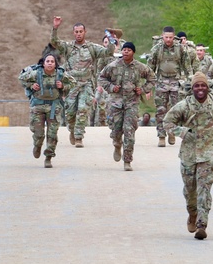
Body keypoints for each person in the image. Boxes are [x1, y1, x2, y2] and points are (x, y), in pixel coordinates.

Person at [165, 72, 213, 240]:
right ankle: (192, 213)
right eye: (197, 86)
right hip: (188, 155)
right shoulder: (184, 106)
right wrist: (182, 132)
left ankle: (202, 224)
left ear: (208, 87)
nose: (200, 89)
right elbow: (167, 122)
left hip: (209, 154)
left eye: (203, 85)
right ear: (192, 88)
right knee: (190, 191)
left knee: (204, 190)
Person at [49, 16, 115, 147]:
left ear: (85, 32)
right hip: (71, 85)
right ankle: (72, 130)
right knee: (71, 113)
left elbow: (108, 52)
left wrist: (112, 39)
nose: (79, 34)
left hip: (86, 84)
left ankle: (79, 137)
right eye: (76, 32)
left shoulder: (92, 48)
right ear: (74, 33)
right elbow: (54, 42)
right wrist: (55, 28)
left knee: (83, 109)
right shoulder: (68, 47)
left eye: (81, 31)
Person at [98, 42, 156, 171]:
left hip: (132, 103)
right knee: (116, 130)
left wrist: (143, 89)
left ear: (133, 52)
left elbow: (152, 78)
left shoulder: (140, 67)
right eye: (124, 50)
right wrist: (111, 87)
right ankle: (117, 144)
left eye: (129, 50)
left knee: (129, 132)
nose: (126, 52)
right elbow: (101, 78)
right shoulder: (113, 66)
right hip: (116, 103)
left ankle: (127, 161)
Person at [19, 54, 74, 169]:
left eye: (52, 61)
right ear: (43, 63)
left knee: (52, 134)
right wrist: (31, 85)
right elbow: (21, 78)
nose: (49, 63)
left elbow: (72, 83)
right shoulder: (36, 73)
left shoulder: (60, 74)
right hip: (38, 107)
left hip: (54, 107)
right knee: (38, 133)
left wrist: (63, 86)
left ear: (55, 64)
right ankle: (37, 145)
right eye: (47, 61)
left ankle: (48, 157)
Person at [148, 26, 195, 147]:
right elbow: (150, 69)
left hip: (176, 82)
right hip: (161, 81)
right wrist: (148, 86)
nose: (168, 39)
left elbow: (187, 66)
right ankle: (161, 135)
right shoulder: (156, 49)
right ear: (162, 36)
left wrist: (191, 81)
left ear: (173, 37)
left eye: (170, 37)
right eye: (166, 37)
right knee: (160, 110)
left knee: (175, 110)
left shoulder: (180, 49)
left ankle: (172, 132)